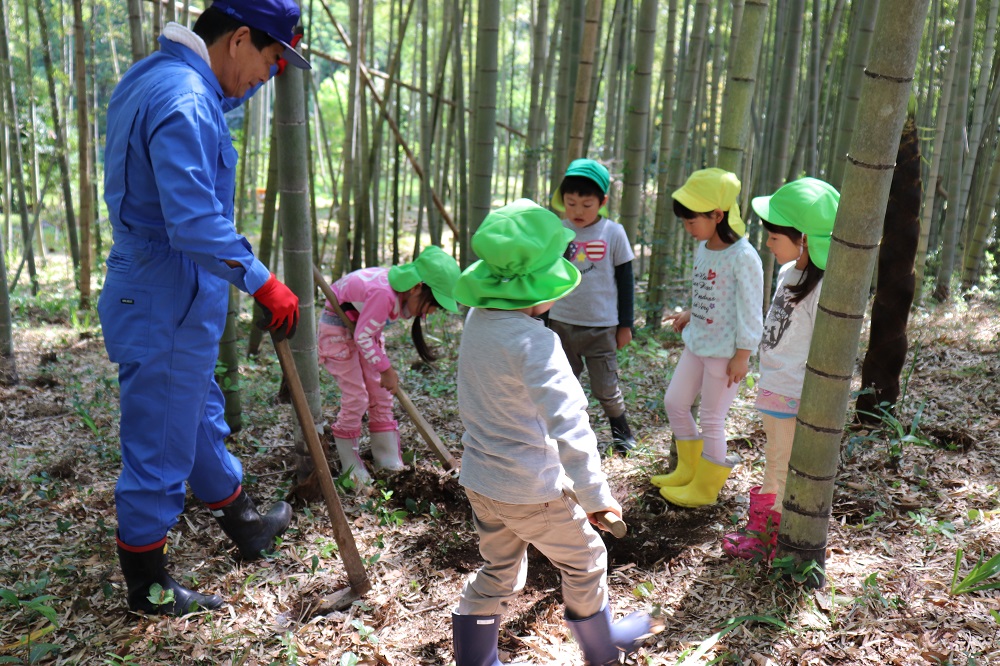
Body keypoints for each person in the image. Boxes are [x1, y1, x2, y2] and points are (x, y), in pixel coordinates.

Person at [97, 0, 310, 616]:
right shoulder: (186, 100)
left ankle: (243, 522)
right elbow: (192, 220)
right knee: (159, 440)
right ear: (240, 38)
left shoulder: (157, 77)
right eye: (271, 61)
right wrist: (263, 281)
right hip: (167, 286)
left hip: (166, 288)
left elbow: (219, 104)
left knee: (194, 416)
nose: (268, 78)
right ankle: (149, 586)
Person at [451, 199, 655, 666]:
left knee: (499, 570)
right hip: (532, 488)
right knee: (586, 561)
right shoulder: (537, 342)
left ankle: (474, 659)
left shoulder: (477, 322)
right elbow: (570, 424)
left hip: (481, 479)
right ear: (537, 286)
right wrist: (595, 495)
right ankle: (603, 648)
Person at [723, 177, 839, 560]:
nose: (769, 243)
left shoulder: (825, 288)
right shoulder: (791, 273)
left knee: (780, 466)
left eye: (774, 236)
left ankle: (769, 537)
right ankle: (764, 529)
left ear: (804, 239)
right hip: (774, 387)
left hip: (793, 391)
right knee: (774, 459)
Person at [651, 168, 764, 508]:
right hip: (698, 341)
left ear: (718, 215)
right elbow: (712, 293)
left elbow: (749, 309)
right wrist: (690, 313)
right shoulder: (704, 246)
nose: (688, 229)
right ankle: (688, 472)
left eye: (692, 221)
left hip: (725, 352)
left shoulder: (744, 257)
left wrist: (743, 354)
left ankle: (706, 488)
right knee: (675, 402)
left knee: (713, 419)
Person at [318, 246, 460, 486]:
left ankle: (386, 459)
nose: (431, 313)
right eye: (434, 304)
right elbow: (363, 336)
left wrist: (384, 373)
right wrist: (386, 369)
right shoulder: (384, 294)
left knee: (382, 393)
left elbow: (366, 334)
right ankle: (350, 468)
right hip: (338, 330)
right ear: (416, 288)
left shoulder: (397, 292)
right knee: (357, 397)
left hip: (362, 330)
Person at [548, 159, 639, 453]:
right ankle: (566, 436)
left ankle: (621, 433)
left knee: (606, 387)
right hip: (561, 322)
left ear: (602, 202)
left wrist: (626, 325)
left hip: (601, 326)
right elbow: (547, 278)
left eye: (586, 205)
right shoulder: (558, 231)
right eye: (570, 203)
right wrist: (542, 320)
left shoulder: (613, 233)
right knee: (563, 384)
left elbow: (625, 281)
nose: (577, 212)